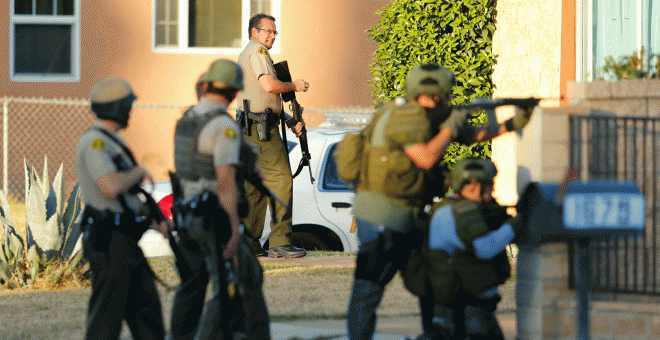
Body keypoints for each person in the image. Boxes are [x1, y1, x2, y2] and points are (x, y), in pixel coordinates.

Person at [338, 63, 536, 340]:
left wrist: (512, 123)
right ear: (434, 93)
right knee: (369, 290)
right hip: (383, 218)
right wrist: (452, 124)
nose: (450, 99)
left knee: (434, 283)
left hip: (406, 217)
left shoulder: (420, 116)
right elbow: (426, 157)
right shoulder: (404, 115)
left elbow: (469, 135)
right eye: (447, 94)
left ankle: (436, 335)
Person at [170, 59, 270, 340]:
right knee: (234, 282)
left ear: (206, 85)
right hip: (213, 217)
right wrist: (235, 230)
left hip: (186, 214)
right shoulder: (224, 126)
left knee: (192, 283)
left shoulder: (187, 118)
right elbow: (225, 181)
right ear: (236, 93)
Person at [76, 77, 167, 340]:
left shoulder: (111, 141)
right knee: (107, 318)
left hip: (125, 238)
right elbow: (110, 186)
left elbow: (125, 195)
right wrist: (138, 172)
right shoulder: (95, 142)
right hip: (110, 241)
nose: (130, 112)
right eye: (127, 106)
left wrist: (155, 219)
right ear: (116, 108)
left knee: (147, 311)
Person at [423, 157, 521, 339]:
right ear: (473, 186)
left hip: (459, 307)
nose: (492, 192)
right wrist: (515, 224)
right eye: (489, 187)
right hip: (466, 311)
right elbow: (485, 248)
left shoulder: (446, 208)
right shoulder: (462, 212)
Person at [236, 13, 308, 258]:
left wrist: (287, 119)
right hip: (262, 131)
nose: (272, 36)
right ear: (254, 32)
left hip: (251, 127)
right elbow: (269, 86)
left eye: (275, 32)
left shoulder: (247, 52)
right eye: (267, 31)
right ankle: (280, 241)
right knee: (280, 180)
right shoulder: (259, 52)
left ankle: (249, 242)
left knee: (254, 186)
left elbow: (260, 99)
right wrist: (294, 85)